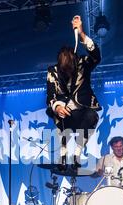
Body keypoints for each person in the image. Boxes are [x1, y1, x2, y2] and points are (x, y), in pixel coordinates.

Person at [46, 15, 101, 170]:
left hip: (82, 112)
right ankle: (62, 154)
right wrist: (57, 107)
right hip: (65, 116)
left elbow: (97, 56)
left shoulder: (83, 64)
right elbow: (50, 96)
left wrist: (82, 34)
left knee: (92, 116)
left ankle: (77, 152)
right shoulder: (52, 72)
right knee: (59, 116)